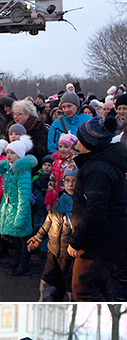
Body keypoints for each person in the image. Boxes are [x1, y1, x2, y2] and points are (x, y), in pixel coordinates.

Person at [68, 115, 127, 298]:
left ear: (89, 143)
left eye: (80, 138)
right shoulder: (104, 162)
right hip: (106, 239)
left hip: (98, 242)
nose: (77, 142)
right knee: (99, 286)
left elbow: (96, 211)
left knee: (83, 288)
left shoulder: (97, 169)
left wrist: (77, 240)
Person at [28, 169, 76, 299]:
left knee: (72, 290)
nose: (70, 185)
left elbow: (82, 231)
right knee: (47, 286)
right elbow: (48, 223)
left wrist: (76, 245)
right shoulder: (58, 202)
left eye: (74, 181)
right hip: (53, 253)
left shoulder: (80, 206)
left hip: (70, 257)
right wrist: (38, 238)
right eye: (67, 181)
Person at [0, 138, 38, 276]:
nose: (9, 155)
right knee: (16, 238)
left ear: (19, 155)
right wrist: (1, 211)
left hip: (20, 209)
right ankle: (17, 260)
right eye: (8, 152)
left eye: (12, 153)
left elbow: (24, 196)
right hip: (10, 209)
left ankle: (24, 264)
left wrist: (20, 216)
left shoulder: (22, 172)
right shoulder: (8, 169)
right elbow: (5, 192)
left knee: (24, 239)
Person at [44, 135, 78, 207]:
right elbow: (52, 181)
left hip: (69, 197)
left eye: (66, 147)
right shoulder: (56, 161)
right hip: (55, 197)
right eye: (60, 146)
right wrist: (48, 200)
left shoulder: (74, 162)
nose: (62, 149)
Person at [12, 101, 48, 166]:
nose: (15, 117)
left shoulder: (38, 127)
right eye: (14, 114)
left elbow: (42, 149)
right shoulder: (12, 127)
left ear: (27, 115)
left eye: (19, 114)